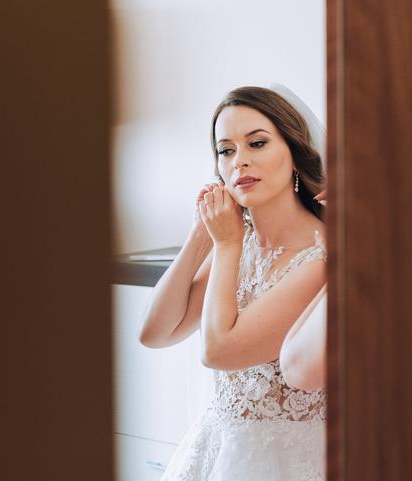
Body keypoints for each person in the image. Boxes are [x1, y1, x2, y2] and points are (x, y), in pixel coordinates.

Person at [139, 85, 328, 481]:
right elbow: (154, 333)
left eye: (257, 143)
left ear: (295, 154)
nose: (239, 160)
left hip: (285, 462)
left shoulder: (320, 258)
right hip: (218, 448)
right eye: (225, 150)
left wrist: (225, 244)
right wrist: (199, 237)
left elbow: (219, 350)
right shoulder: (240, 244)